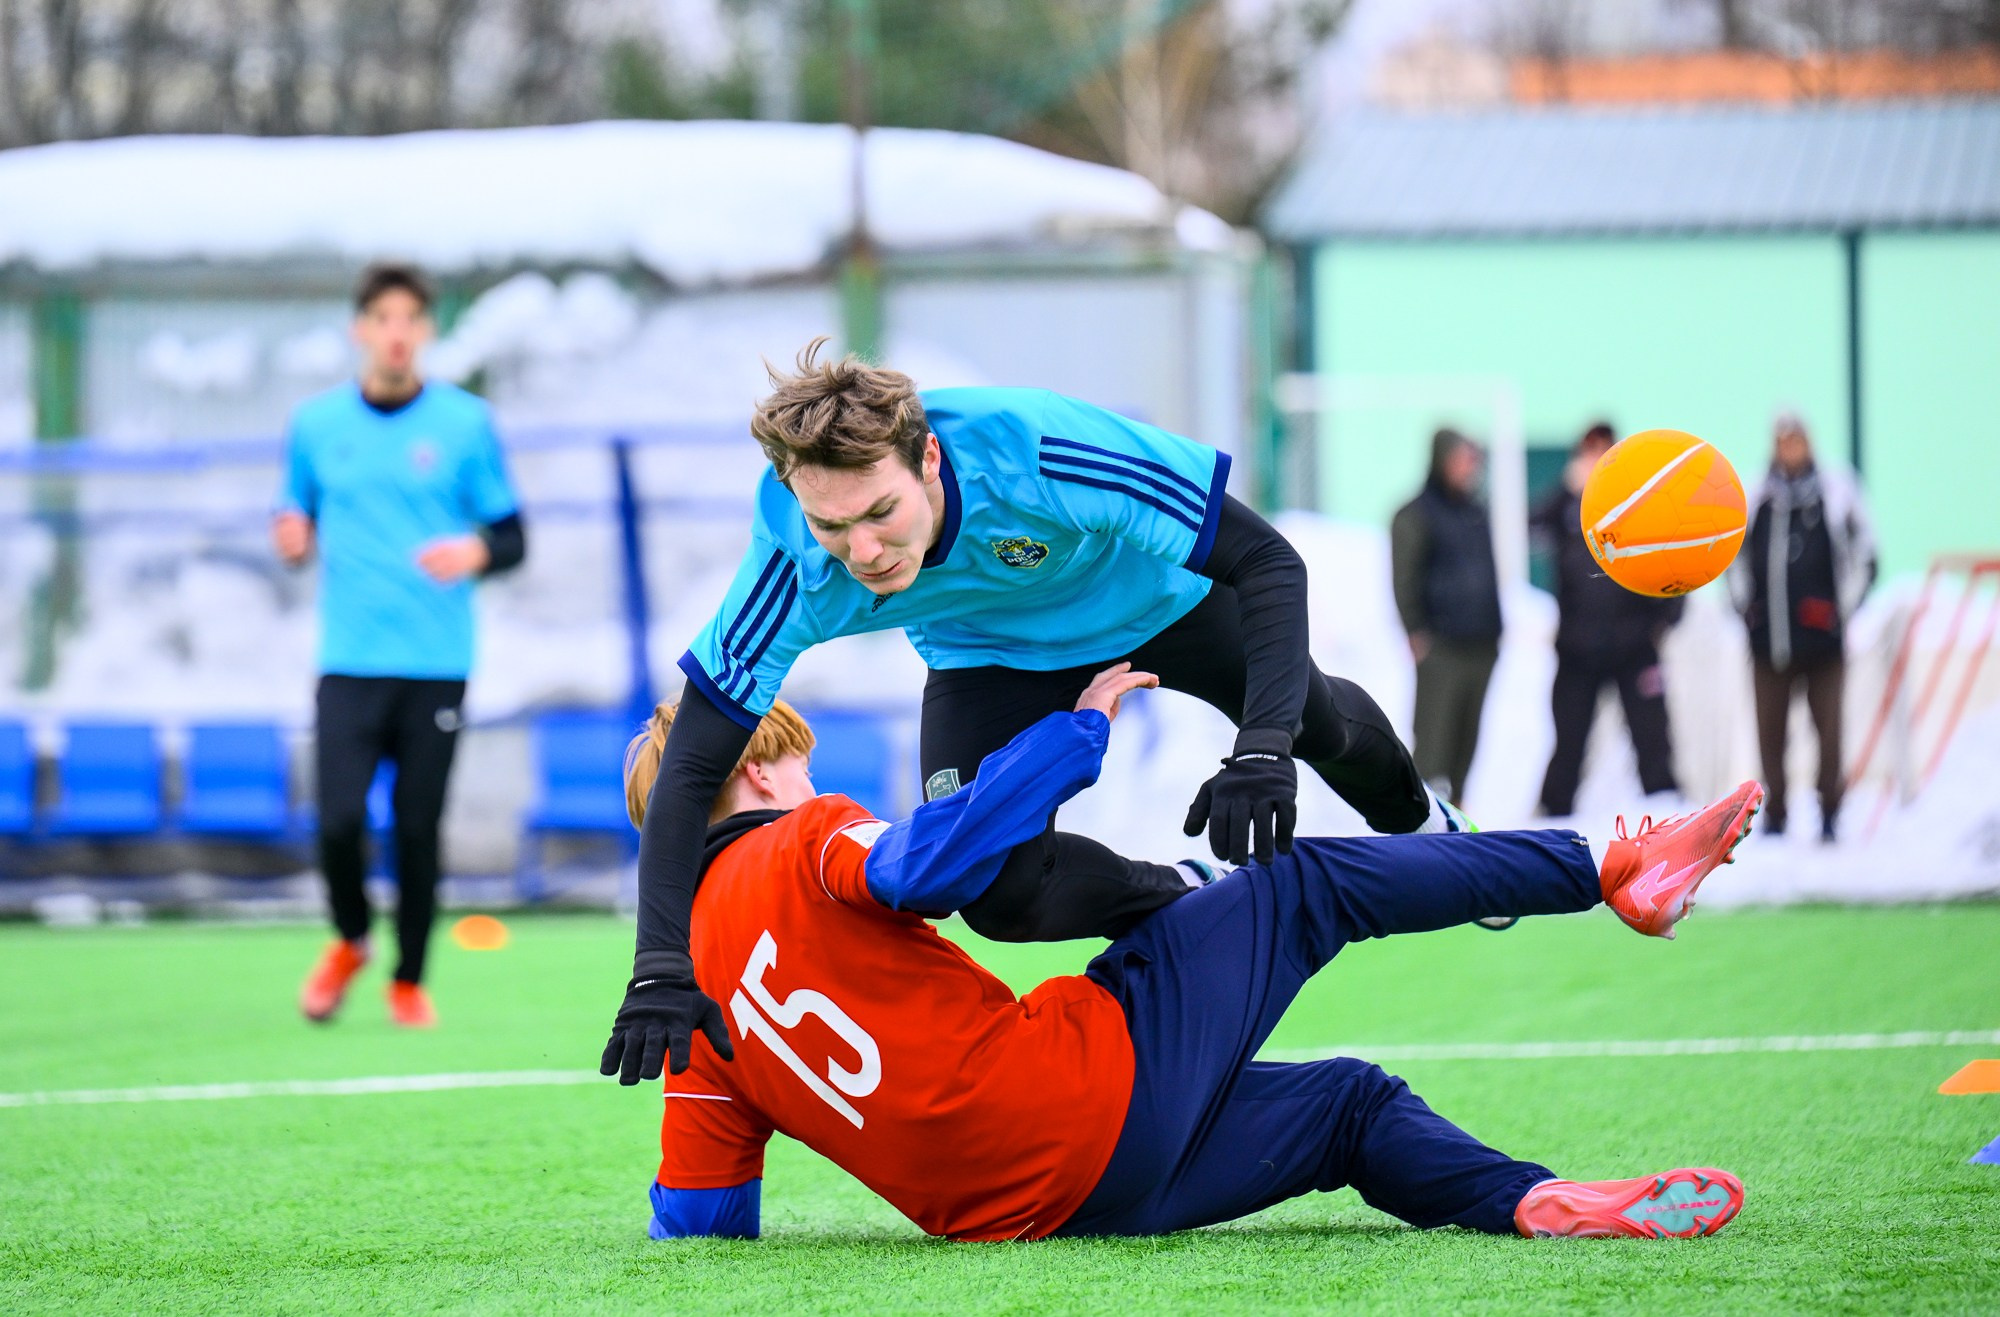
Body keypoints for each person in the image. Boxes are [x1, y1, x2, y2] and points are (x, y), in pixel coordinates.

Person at [618, 664, 1760, 1244]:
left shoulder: (685, 1004)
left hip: (1048, 1213)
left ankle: (1534, 1201)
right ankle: (1606, 869)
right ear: (763, 769)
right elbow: (921, 864)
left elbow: (700, 1218)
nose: (807, 777)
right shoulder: (804, 836)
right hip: (1080, 1094)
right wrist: (1076, 733)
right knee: (1304, 883)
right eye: (797, 760)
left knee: (1350, 1108)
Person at [603, 340, 1471, 1087]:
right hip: (988, 661)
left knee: (1314, 720)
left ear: (930, 461)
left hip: (1162, 609)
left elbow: (1270, 562)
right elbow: (689, 766)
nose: (862, 552)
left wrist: (1264, 749)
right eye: (834, 525)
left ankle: (1424, 818)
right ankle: (1189, 890)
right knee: (992, 888)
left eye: (880, 513)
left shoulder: (1041, 448)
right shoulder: (795, 557)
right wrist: (658, 966)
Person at [276, 262, 527, 1027]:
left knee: (417, 827)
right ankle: (351, 939)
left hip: (435, 665)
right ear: (361, 329)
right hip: (348, 659)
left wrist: (474, 552)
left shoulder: (464, 423)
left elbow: (513, 536)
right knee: (338, 821)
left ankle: (408, 979)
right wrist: (292, 538)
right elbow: (298, 518)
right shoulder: (315, 426)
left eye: (410, 319)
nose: (395, 333)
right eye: (381, 318)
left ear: (426, 332)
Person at [1730, 412, 1877, 842]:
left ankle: (1830, 810)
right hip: (1767, 642)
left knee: (1829, 733)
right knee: (1770, 734)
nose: (1790, 448)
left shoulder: (1837, 491)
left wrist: (1840, 612)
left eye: (1797, 440)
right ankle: (1775, 814)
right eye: (1783, 440)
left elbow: (1865, 554)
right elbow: (1732, 556)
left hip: (1823, 644)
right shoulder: (1755, 494)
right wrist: (1746, 609)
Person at [1531, 423, 1684, 817]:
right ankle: (1554, 817)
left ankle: (1667, 812)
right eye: (1590, 449)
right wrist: (1570, 491)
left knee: (1653, 739)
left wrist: (1667, 614)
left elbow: (1672, 551)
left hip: (1634, 643)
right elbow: (1530, 527)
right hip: (1578, 646)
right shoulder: (1568, 505)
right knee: (1569, 740)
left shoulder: (1639, 501)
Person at [1390, 427, 1503, 809]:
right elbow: (1404, 576)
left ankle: (1458, 812)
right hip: (1442, 648)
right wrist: (1415, 629)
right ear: (1442, 460)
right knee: (1433, 739)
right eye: (1462, 459)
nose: (1469, 468)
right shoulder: (1415, 514)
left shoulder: (1475, 512)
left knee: (1467, 740)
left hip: (1482, 645)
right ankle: (1417, 816)